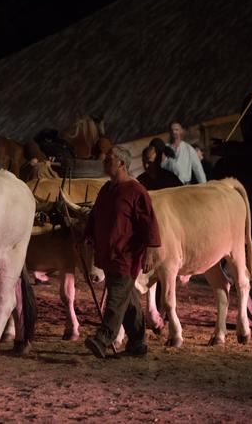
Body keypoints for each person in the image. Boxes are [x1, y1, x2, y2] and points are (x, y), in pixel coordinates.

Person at [82, 145, 161, 358]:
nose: (105, 162)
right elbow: (95, 215)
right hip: (108, 253)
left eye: (109, 159)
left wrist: (151, 252)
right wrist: (88, 235)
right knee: (128, 299)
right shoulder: (107, 189)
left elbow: (150, 223)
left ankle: (103, 338)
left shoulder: (136, 191)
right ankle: (137, 343)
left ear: (122, 164)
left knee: (117, 295)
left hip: (127, 255)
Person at [161, 120, 206, 185]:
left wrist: (204, 186)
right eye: (172, 130)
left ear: (181, 130)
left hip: (185, 186)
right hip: (170, 186)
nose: (174, 132)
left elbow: (198, 169)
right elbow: (162, 167)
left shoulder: (188, 149)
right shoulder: (165, 148)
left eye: (176, 130)